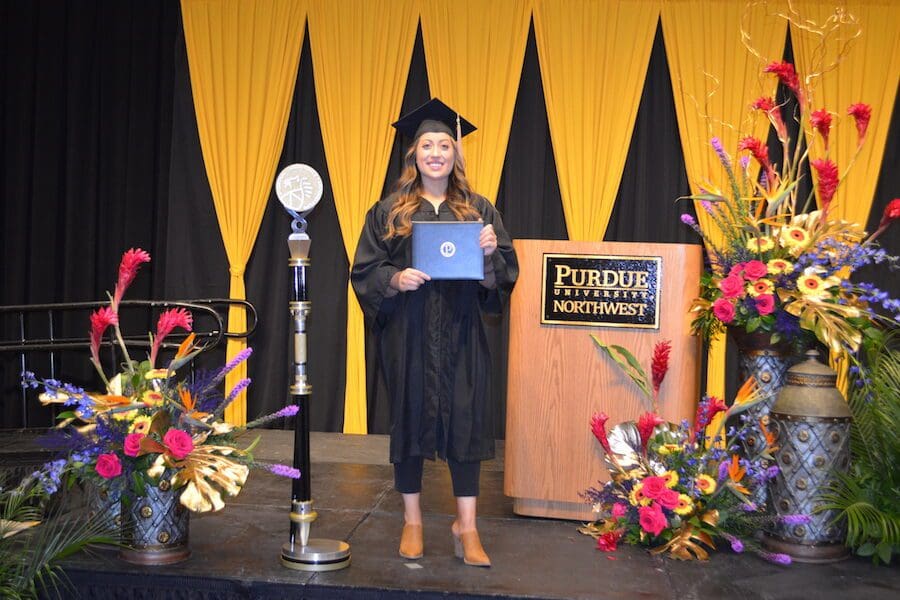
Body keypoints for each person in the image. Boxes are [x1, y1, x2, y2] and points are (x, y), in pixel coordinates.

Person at [351, 98, 518, 568]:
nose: (436, 152)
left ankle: (467, 525)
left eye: (445, 144)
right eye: (428, 144)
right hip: (408, 332)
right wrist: (394, 279)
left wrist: (488, 254)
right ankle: (414, 520)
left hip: (463, 332)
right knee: (408, 418)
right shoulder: (389, 210)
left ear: (456, 154)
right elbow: (364, 269)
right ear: (414, 154)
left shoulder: (480, 209)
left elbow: (503, 275)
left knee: (466, 421)